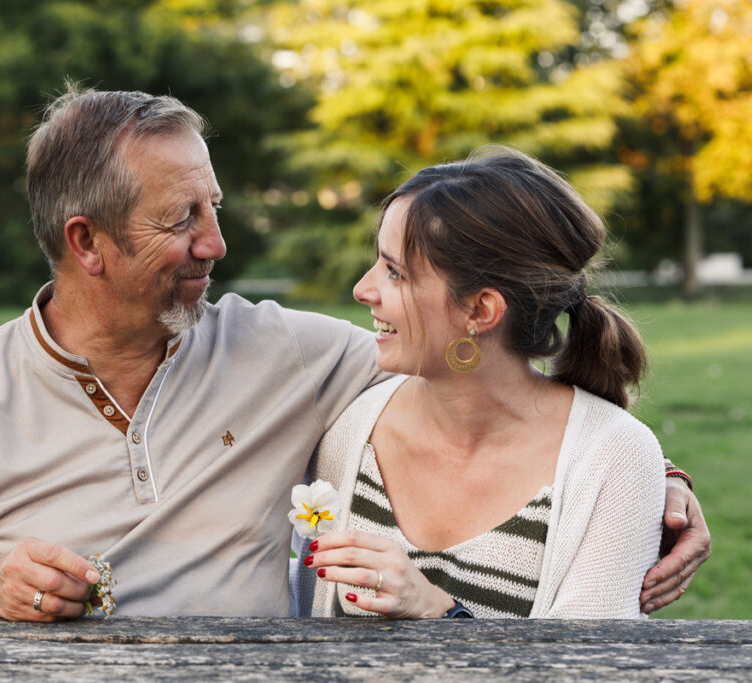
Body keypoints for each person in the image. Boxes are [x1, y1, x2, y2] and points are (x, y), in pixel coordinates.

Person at [0, 87, 707, 621]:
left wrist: (657, 486)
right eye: (180, 219)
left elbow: (476, 370)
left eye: (213, 207)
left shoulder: (287, 355)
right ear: (88, 242)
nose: (216, 243)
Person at [292, 146, 698, 619]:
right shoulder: (351, 429)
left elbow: (588, 668)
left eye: (395, 272)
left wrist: (441, 615)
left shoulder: (614, 459)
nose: (363, 289)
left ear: (481, 311)